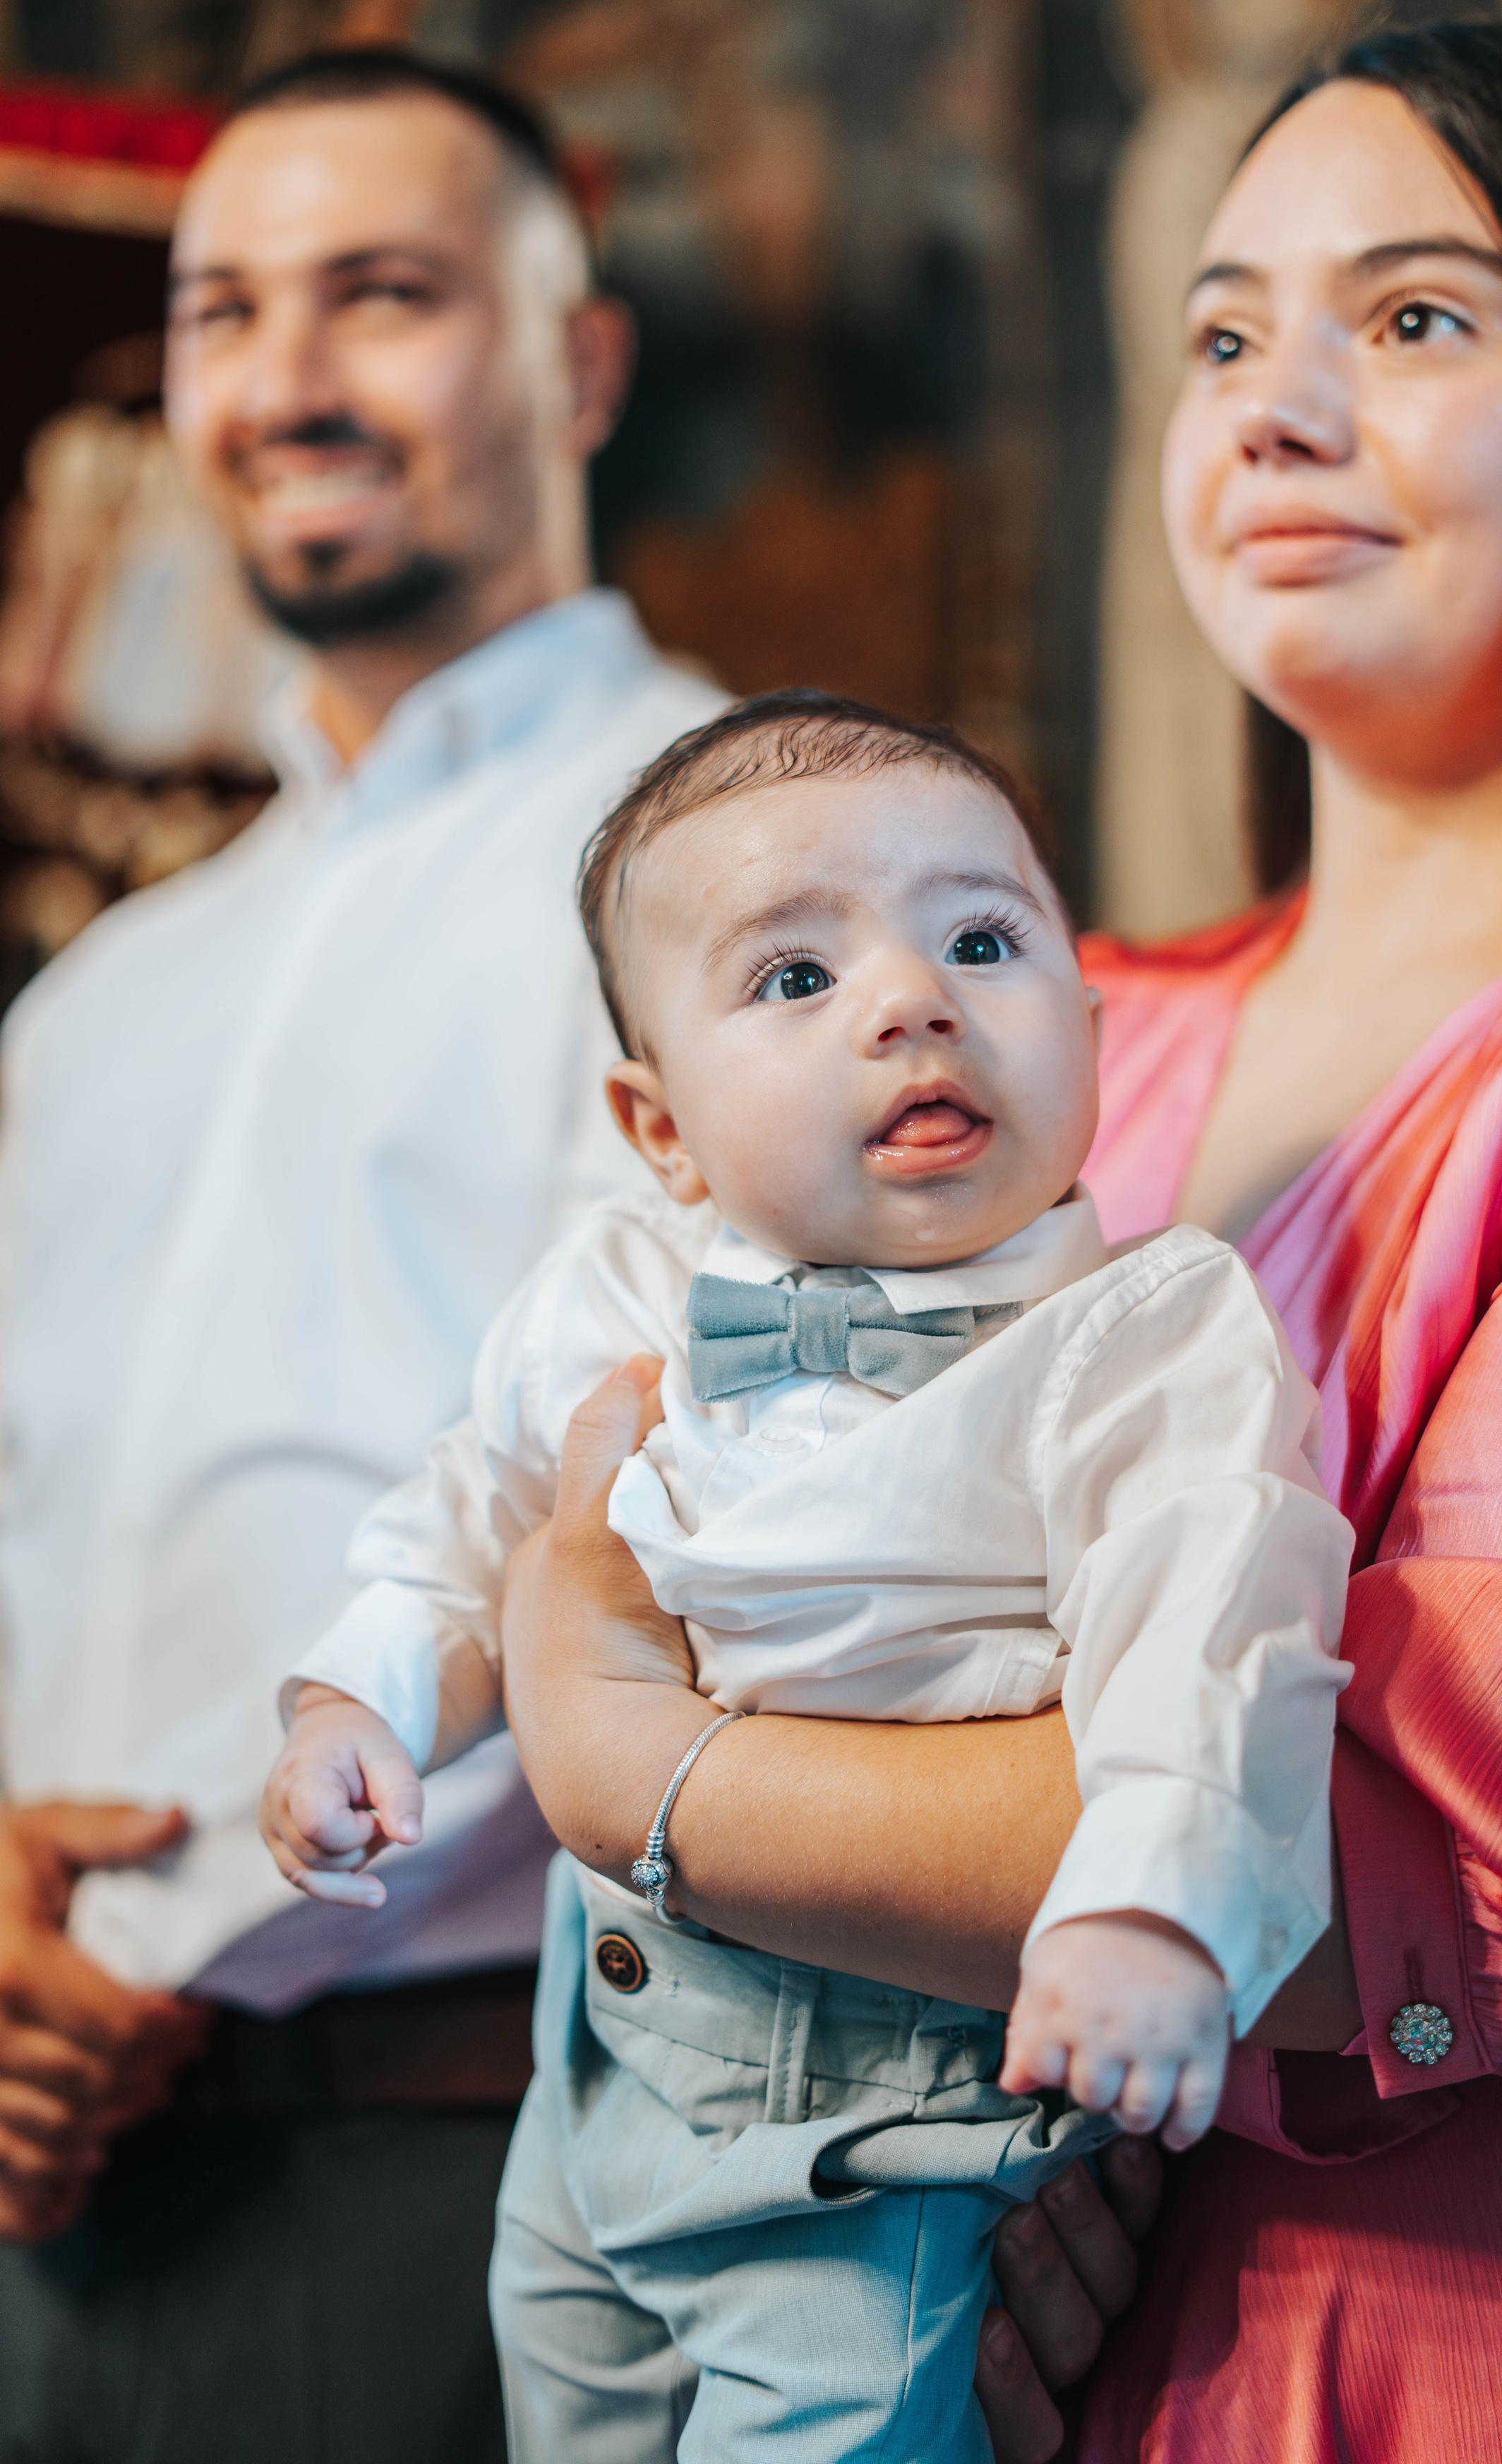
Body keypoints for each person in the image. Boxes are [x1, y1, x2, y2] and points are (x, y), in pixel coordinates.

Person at [497, 22, 1502, 2463]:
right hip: (976, 2273)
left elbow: (1429, 1846)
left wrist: (637, 1767)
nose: (1273, 408)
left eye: (1413, 319)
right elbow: (673, 1502)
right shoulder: (1086, 1026)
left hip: (1477, 2353)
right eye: (1221, 335)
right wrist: (980, 2134)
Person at [260, 689, 1354, 2461]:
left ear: (1090, 1029)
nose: (910, 1001)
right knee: (567, 2387)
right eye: (793, 980)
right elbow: (480, 1523)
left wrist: (1150, 1913)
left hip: (884, 2097)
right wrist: (358, 1702)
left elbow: (1216, 1630)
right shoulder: (616, 1296)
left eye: (979, 943)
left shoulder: (1136, 1342)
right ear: (661, 1127)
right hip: (602, 2036)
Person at [0, 45, 718, 2463]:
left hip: (459, 2140)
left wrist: (153, 1941)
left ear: (577, 360)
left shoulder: (750, 871)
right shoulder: (109, 992)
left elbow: (660, 1517)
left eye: (381, 295)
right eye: (223, 312)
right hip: (37, 2160)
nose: (283, 378)